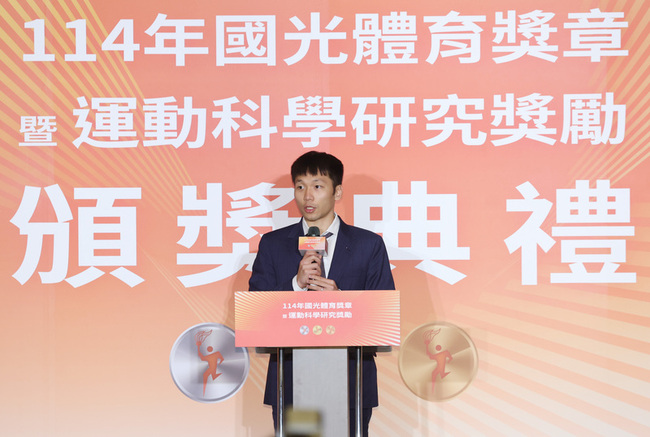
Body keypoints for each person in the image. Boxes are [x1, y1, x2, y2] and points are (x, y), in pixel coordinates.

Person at [249, 151, 395, 436]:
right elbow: (255, 313)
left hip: (351, 380)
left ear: (337, 191)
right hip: (292, 380)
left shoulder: (368, 245)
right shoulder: (273, 244)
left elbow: (384, 316)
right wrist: (295, 284)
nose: (307, 196)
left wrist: (342, 302)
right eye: (300, 186)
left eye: (317, 186)